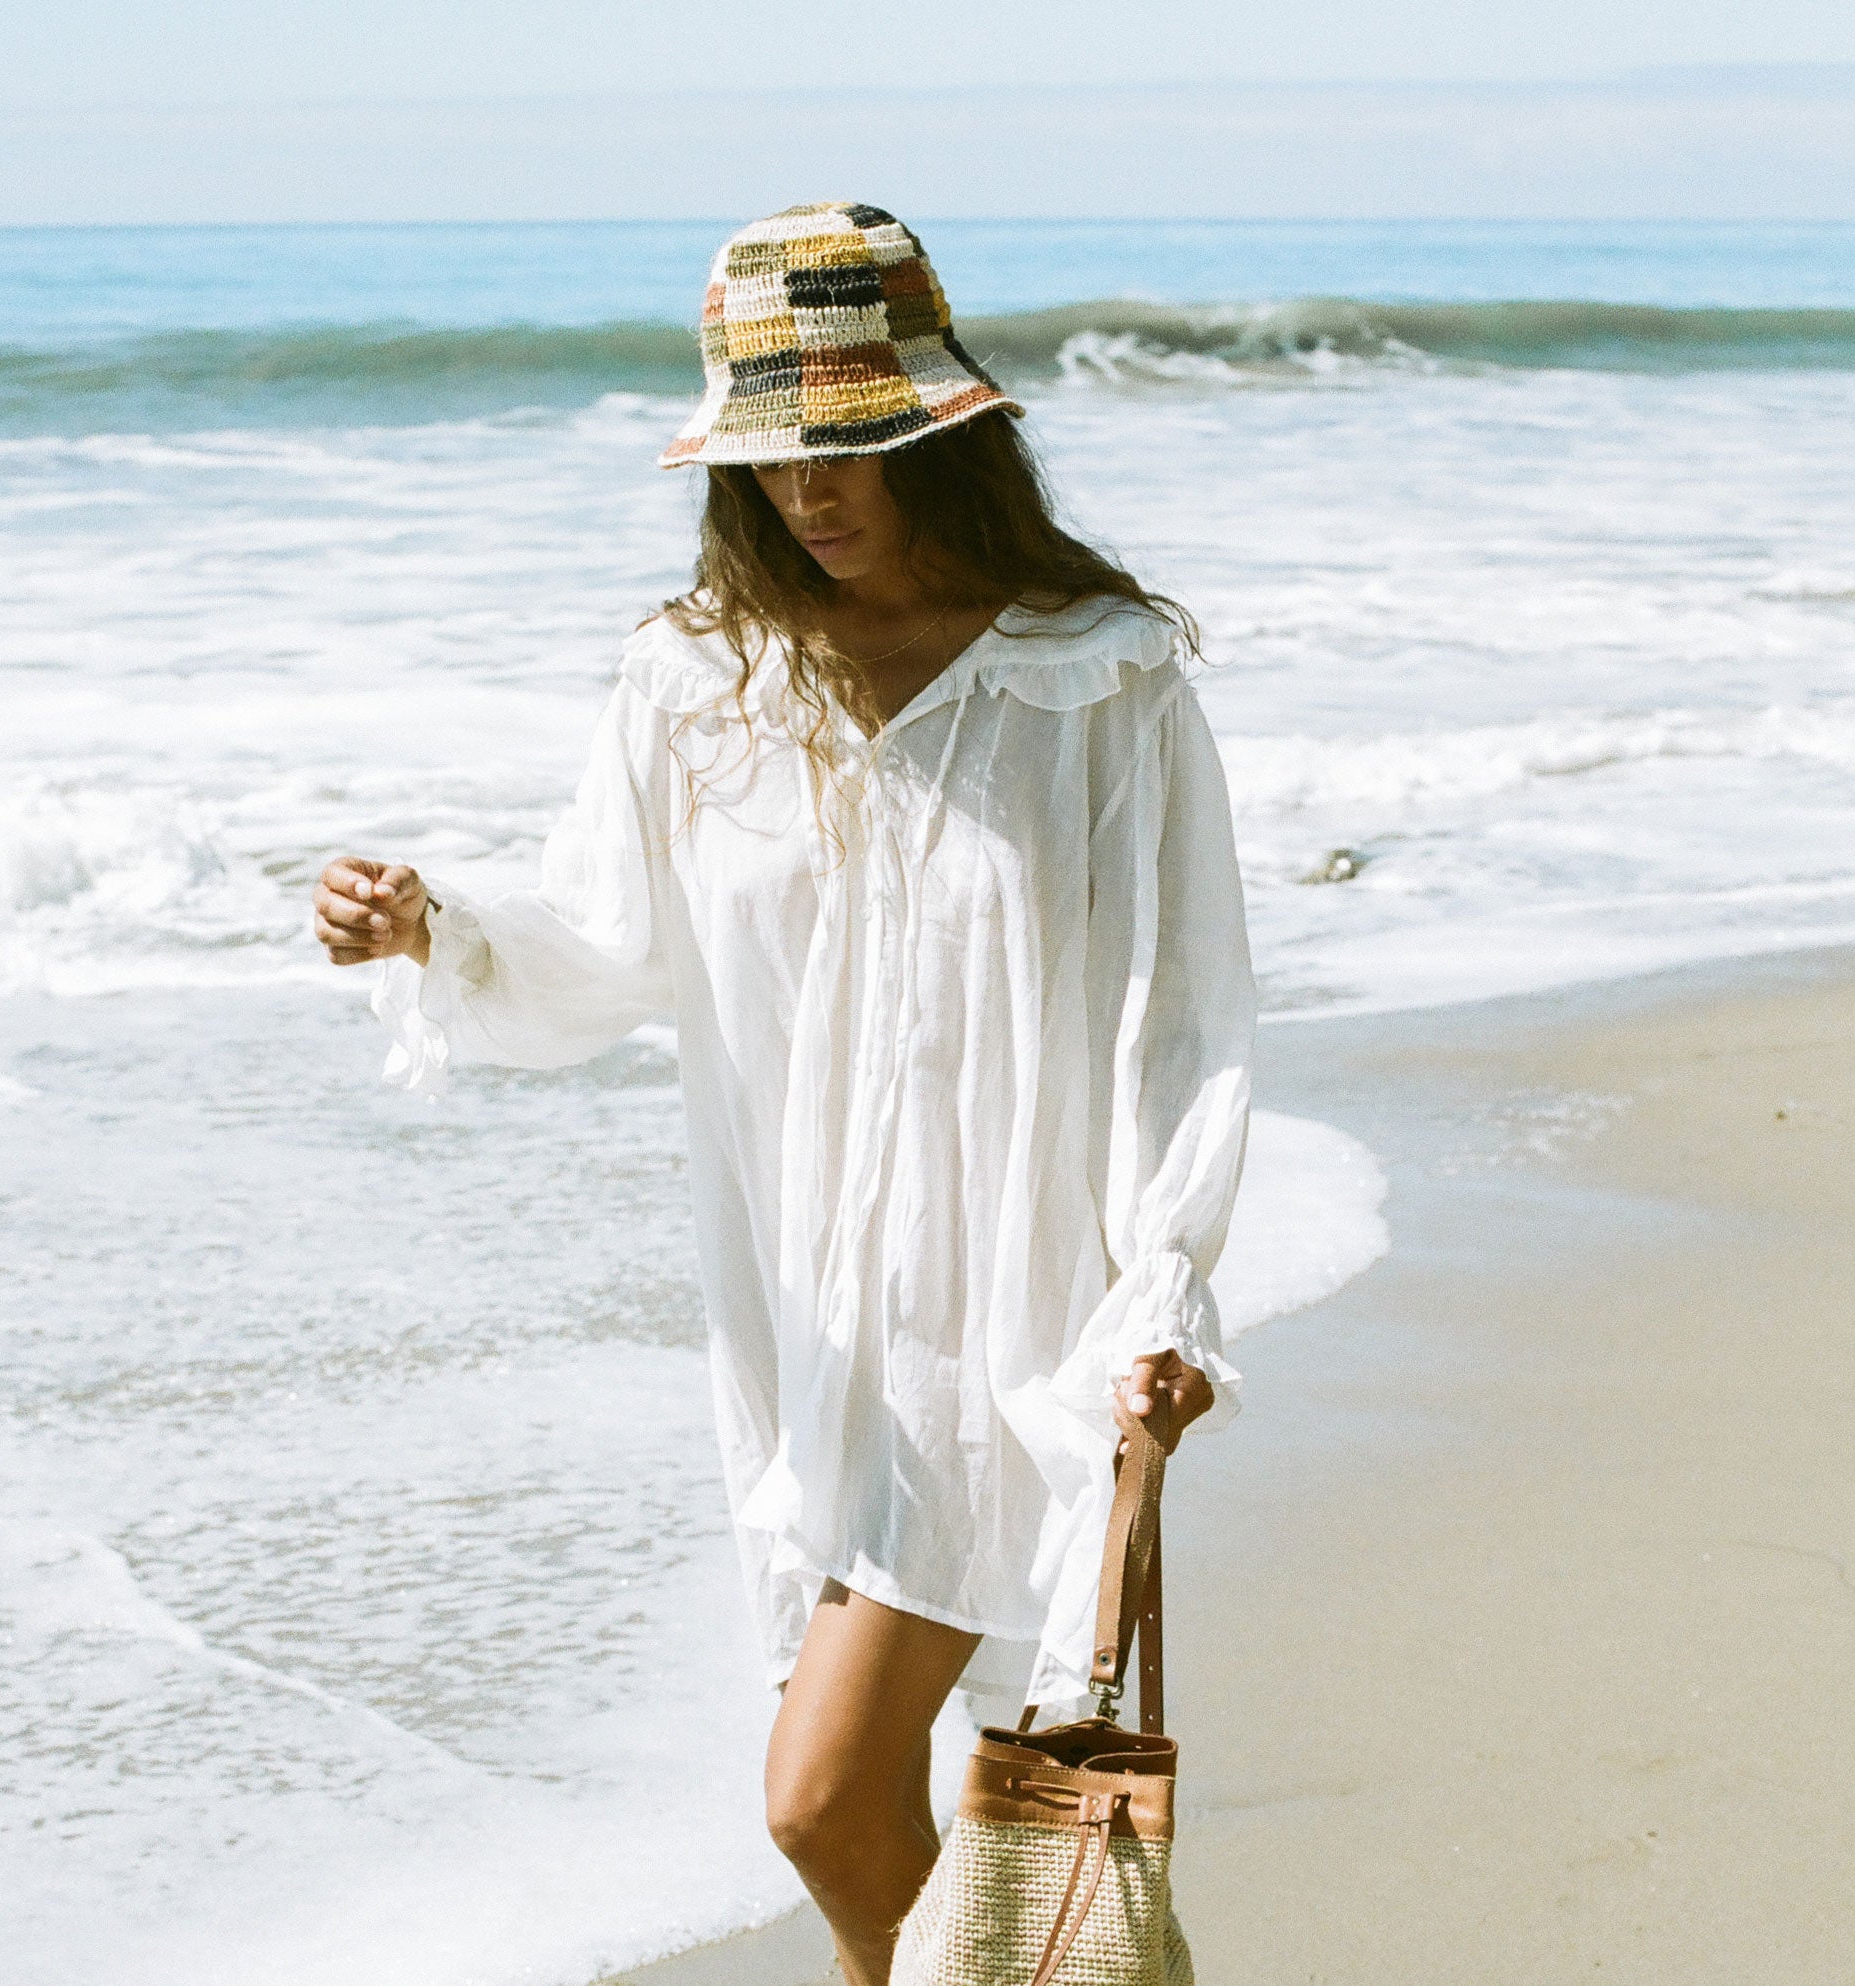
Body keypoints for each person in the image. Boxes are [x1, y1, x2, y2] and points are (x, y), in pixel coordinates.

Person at [312, 203, 1255, 1986]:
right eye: (771, 453)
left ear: (942, 432)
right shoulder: (699, 680)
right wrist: (435, 928)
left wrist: (1164, 1289)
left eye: (851, 444)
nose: (809, 491)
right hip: (805, 1333)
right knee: (878, 1795)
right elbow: (607, 947)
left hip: (1014, 1325)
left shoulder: (1092, 672)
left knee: (818, 1799)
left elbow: (1181, 1005)